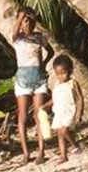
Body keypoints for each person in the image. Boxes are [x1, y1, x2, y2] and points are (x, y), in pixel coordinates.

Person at [10, 21, 51, 158]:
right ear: (20, 24)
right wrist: (21, 16)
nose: (28, 25)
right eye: (24, 22)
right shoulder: (18, 39)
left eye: (30, 22)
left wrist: (43, 64)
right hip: (23, 80)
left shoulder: (39, 37)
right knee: (22, 116)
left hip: (39, 78)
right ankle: (26, 152)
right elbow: (14, 32)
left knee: (40, 114)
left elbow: (50, 51)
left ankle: (41, 150)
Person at [40, 54, 81, 159]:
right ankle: (63, 155)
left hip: (69, 111)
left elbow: (79, 99)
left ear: (70, 70)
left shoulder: (73, 83)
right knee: (59, 135)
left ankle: (75, 145)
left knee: (64, 130)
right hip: (59, 113)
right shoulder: (56, 85)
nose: (61, 76)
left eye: (63, 73)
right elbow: (54, 99)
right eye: (58, 74)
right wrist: (45, 106)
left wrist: (79, 113)